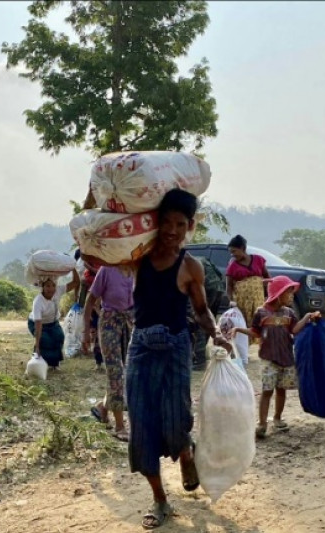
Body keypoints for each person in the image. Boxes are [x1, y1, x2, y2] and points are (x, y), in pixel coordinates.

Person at [122, 189, 232, 530]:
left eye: (179, 224)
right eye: (165, 222)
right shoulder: (137, 258)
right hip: (140, 348)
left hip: (175, 348)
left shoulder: (190, 267)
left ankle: (185, 451)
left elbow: (201, 311)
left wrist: (215, 332)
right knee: (141, 426)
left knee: (175, 420)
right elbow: (96, 249)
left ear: (189, 227)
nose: (171, 230)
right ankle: (160, 500)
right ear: (155, 223)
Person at [235, 275, 320, 439]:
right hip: (268, 359)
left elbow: (294, 330)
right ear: (278, 293)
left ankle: (278, 418)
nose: (291, 296)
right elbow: (255, 332)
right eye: (288, 293)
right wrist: (239, 329)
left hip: (286, 358)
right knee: (267, 391)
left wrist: (307, 317)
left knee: (281, 390)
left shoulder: (289, 313)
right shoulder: (261, 313)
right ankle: (262, 423)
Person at [82, 265, 134, 442]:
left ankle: (103, 407)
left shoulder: (136, 270)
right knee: (115, 372)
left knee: (129, 372)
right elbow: (90, 301)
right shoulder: (106, 270)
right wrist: (85, 332)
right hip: (109, 323)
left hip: (130, 323)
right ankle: (119, 426)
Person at [28, 271, 80, 371]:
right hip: (37, 323)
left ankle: (54, 364)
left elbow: (76, 282)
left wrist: (73, 268)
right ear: (42, 287)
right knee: (45, 340)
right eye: (47, 286)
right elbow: (38, 325)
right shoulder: (38, 301)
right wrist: (37, 345)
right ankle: (40, 360)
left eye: (53, 285)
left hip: (53, 323)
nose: (51, 289)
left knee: (59, 336)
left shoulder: (58, 291)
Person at [225, 234, 270, 321]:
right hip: (241, 303)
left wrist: (268, 296)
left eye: (234, 251)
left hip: (258, 300)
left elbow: (267, 278)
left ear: (243, 248)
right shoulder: (232, 266)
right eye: (230, 252)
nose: (232, 254)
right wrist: (231, 300)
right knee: (244, 323)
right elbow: (229, 287)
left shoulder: (258, 260)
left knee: (258, 322)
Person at [75, 250, 103, 370]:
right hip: (91, 308)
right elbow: (83, 300)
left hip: (102, 307)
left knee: (98, 331)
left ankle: (100, 359)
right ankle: (98, 361)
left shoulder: (103, 270)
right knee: (94, 330)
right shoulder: (86, 278)